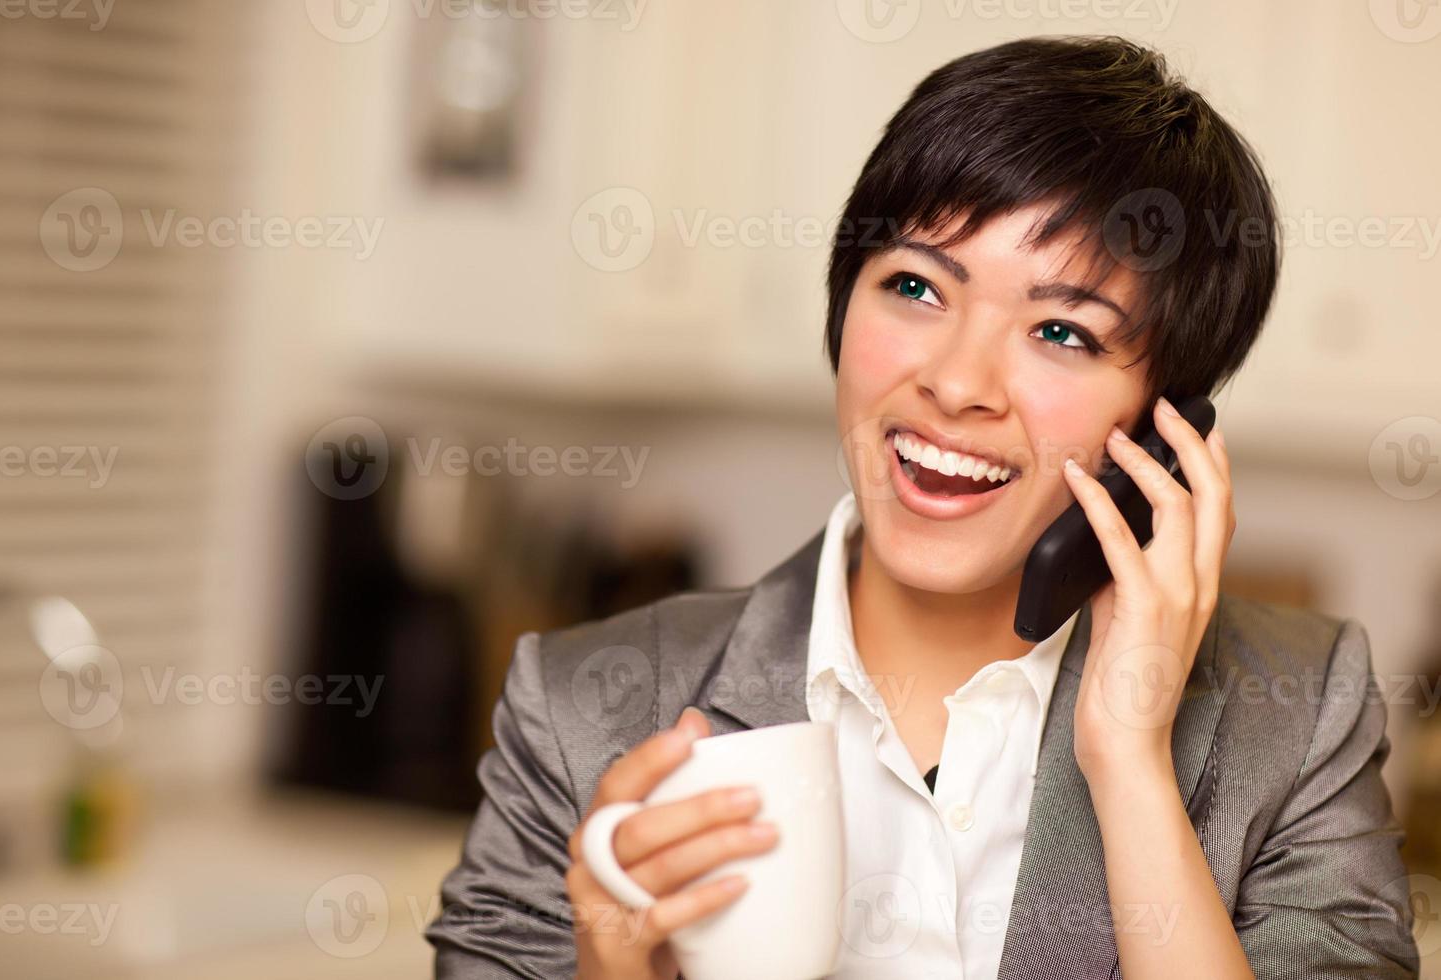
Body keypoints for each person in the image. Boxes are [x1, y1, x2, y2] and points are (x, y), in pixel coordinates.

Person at [426, 34, 1420, 979]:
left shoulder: (1296, 716)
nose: (956, 382)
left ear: (1166, 425)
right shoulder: (580, 708)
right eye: (914, 284)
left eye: (1063, 332)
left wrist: (1130, 763)